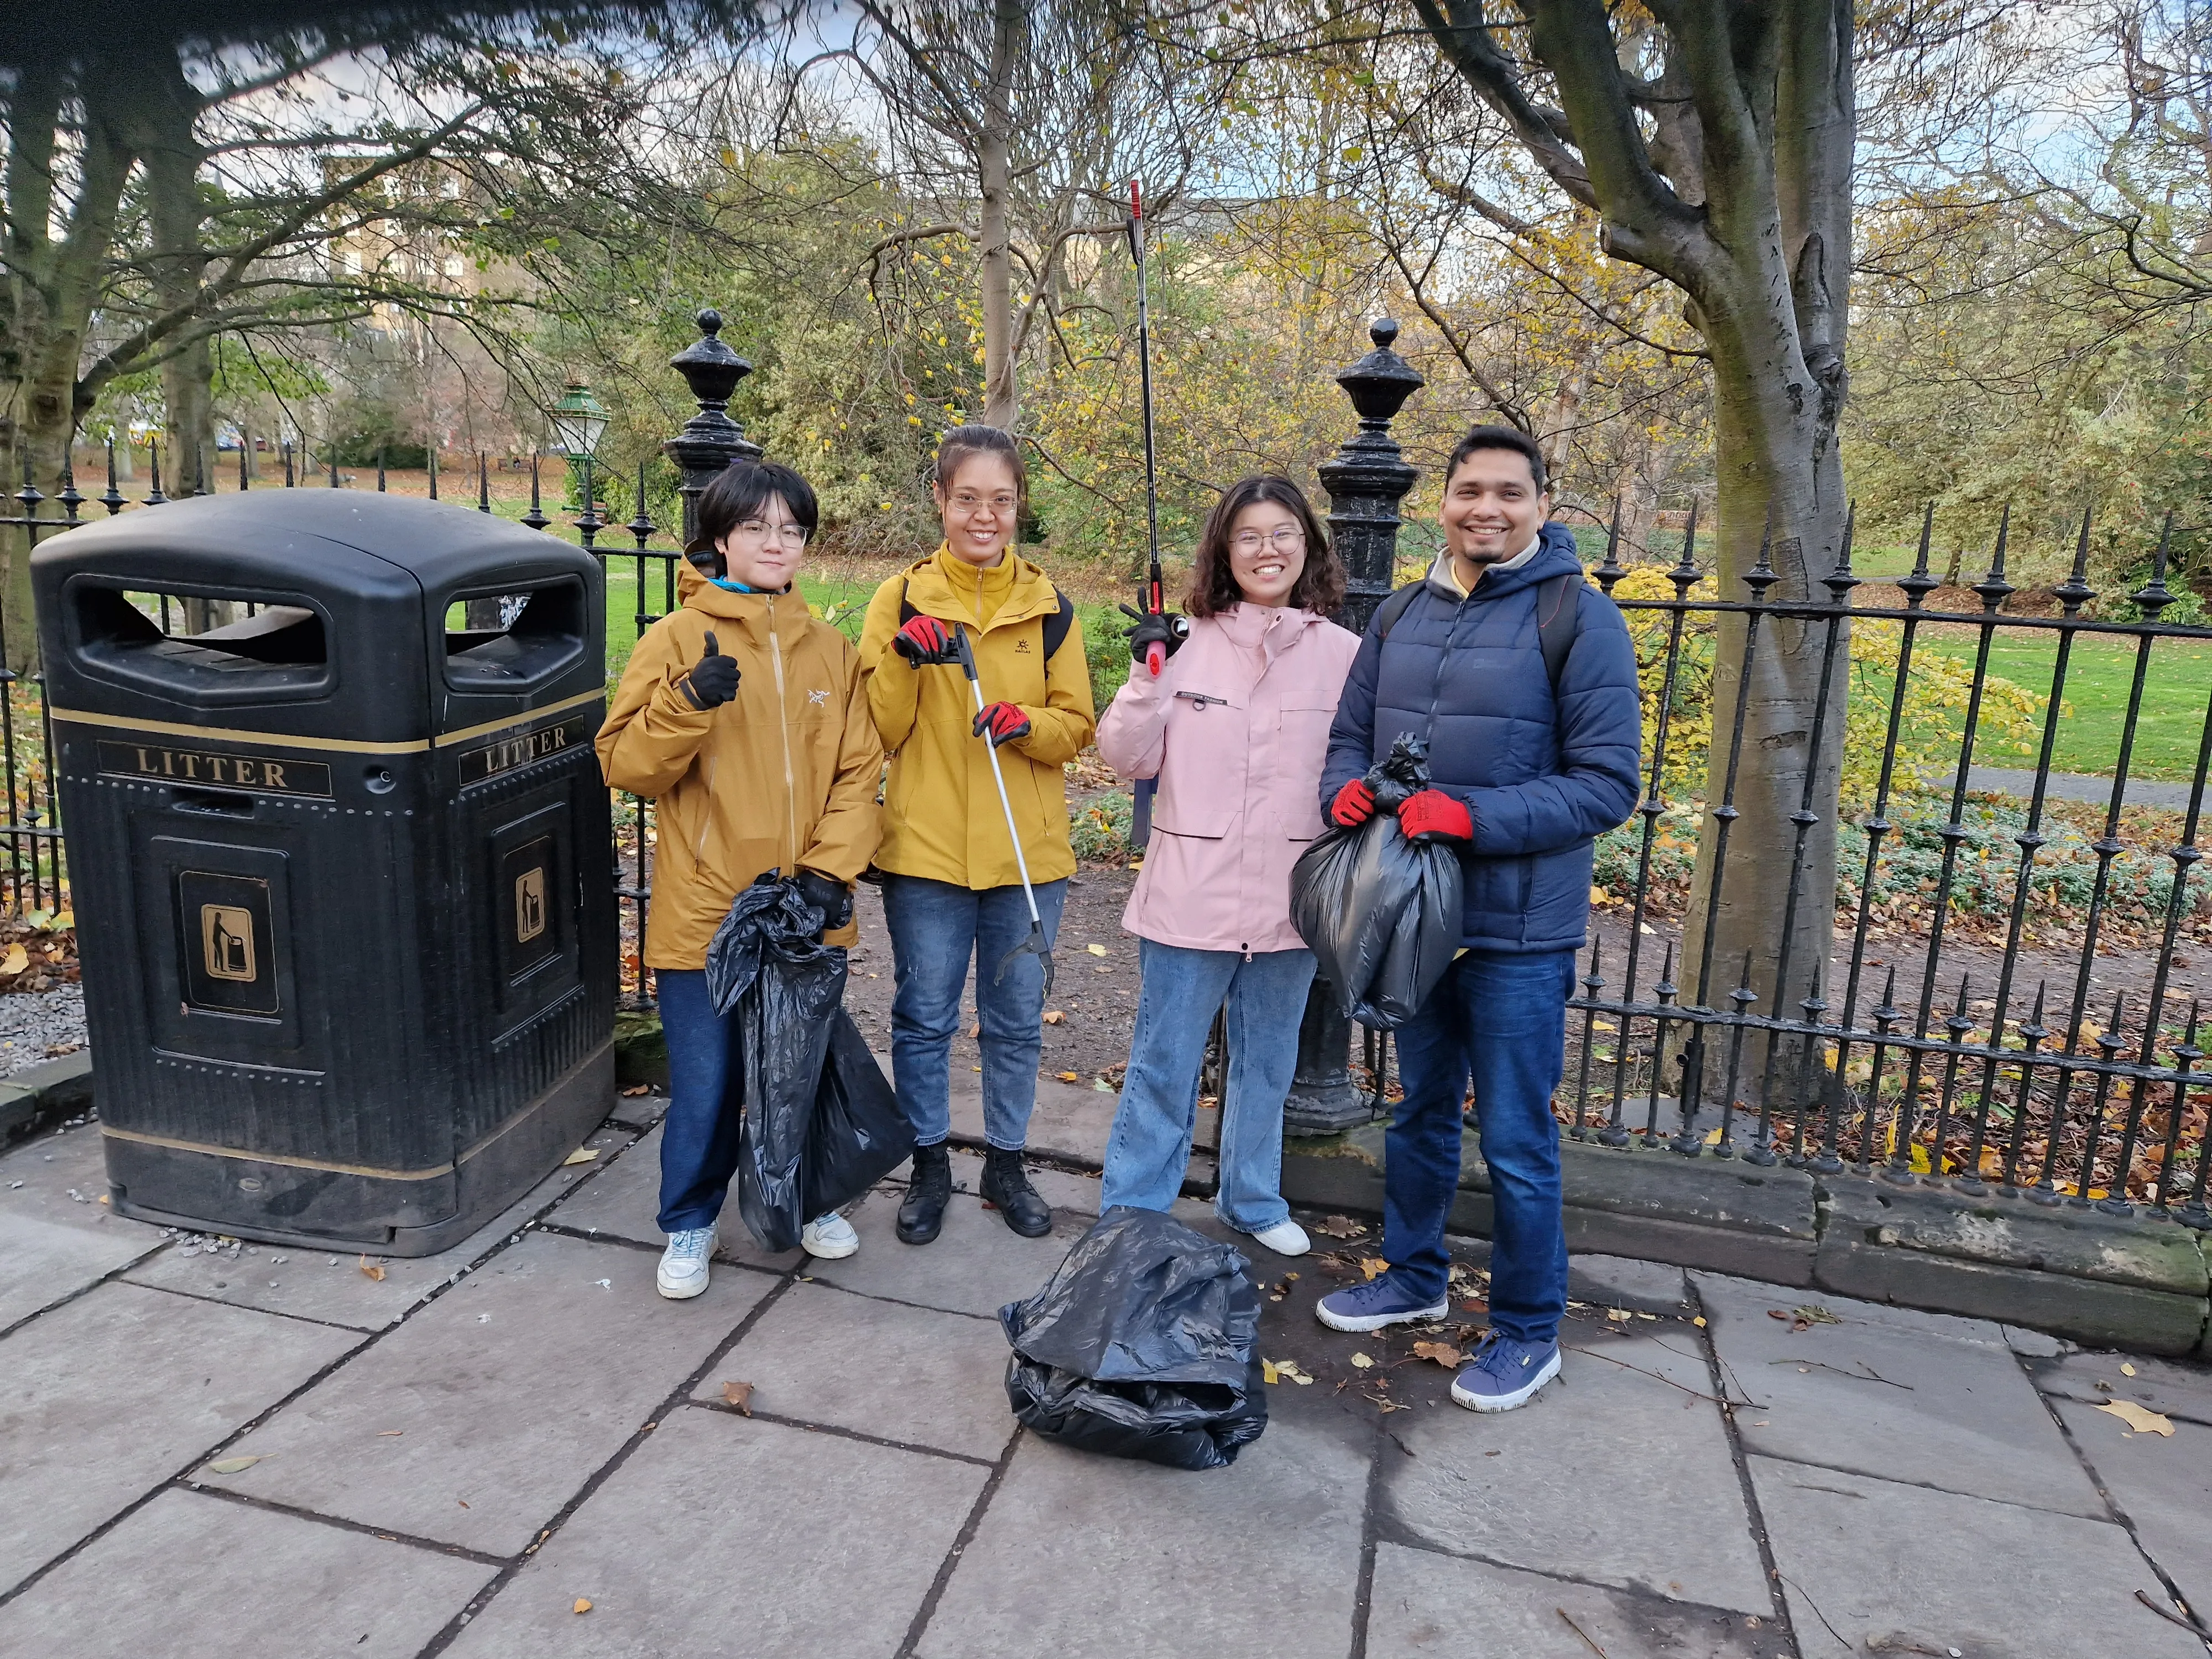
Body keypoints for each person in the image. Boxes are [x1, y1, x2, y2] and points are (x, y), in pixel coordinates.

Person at [1313, 426, 1641, 1411]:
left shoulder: (1579, 619)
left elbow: (1607, 784)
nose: (1484, 509)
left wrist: (1473, 818)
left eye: (1507, 492)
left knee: (1514, 1136)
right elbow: (1347, 734)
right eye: (1468, 492)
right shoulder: (1402, 613)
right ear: (1443, 503)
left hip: (1516, 933)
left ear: (1543, 504)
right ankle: (1413, 1277)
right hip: (1413, 917)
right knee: (1415, 1111)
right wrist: (1347, 792)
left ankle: (1529, 1330)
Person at [596, 459, 884, 1300]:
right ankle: (689, 1222)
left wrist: (832, 872)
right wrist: (684, 703)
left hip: (802, 915)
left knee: (802, 1071)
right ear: (720, 538)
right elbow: (626, 767)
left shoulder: (832, 650)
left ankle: (807, 1201)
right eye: (757, 527)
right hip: (708, 911)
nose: (775, 543)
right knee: (711, 1080)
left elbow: (859, 771)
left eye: (791, 530)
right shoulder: (677, 641)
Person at [1094, 476, 1360, 1256]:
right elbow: (1125, 755)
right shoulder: (1181, 644)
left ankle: (1252, 1198)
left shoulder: (1344, 655)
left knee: (1268, 1065)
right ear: (1224, 549)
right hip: (1190, 894)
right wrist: (1146, 676)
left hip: (1290, 898)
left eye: (1283, 532)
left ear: (1306, 545)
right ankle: (1136, 1209)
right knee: (1164, 1062)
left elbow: (1356, 764)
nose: (1267, 549)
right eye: (1249, 535)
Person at [857, 426, 1095, 1245]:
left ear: (1018, 502)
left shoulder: (1052, 605)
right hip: (926, 852)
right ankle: (928, 1161)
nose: (984, 516)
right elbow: (877, 728)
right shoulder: (900, 597)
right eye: (968, 499)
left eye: (1000, 499)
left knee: (1017, 1018)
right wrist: (903, 658)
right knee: (924, 1015)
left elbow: (1076, 728)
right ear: (941, 500)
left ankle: (1006, 1159)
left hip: (1027, 856)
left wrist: (1025, 721)